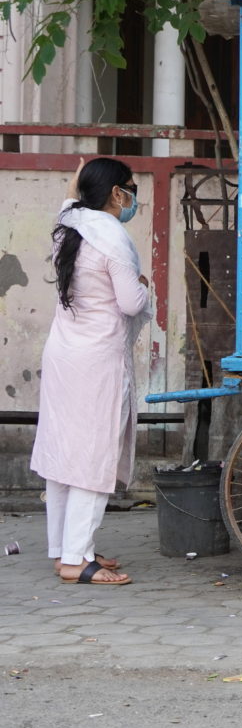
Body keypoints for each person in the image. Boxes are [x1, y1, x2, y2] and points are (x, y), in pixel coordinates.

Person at [30, 158, 149, 586]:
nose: (134, 197)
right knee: (93, 456)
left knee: (63, 454)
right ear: (117, 194)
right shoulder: (112, 236)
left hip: (63, 356)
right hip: (97, 361)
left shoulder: (69, 223)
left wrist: (81, 174)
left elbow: (71, 194)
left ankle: (65, 549)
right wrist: (141, 284)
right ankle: (77, 560)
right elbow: (132, 304)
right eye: (131, 188)